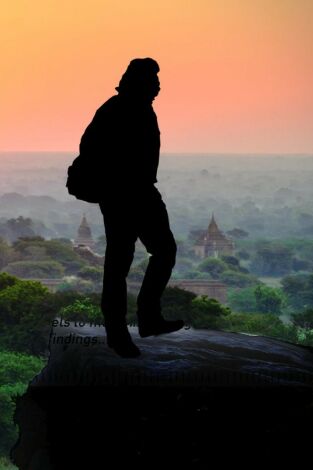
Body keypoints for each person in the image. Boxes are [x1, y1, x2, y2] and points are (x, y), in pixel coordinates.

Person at [79, 58, 184, 357]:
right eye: (152, 81)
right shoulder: (116, 109)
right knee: (119, 264)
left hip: (141, 192)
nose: (158, 86)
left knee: (164, 251)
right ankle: (117, 332)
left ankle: (149, 318)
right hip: (121, 195)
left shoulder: (140, 108)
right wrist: (116, 182)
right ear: (138, 83)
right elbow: (90, 150)